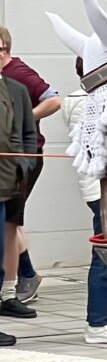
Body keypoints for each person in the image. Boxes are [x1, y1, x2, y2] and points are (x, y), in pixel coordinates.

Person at [61, 62, 107, 344]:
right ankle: (97, 323)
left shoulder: (97, 100)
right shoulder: (87, 103)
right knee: (105, 256)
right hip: (103, 190)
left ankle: (99, 321)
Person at [0, 26, 60, 308]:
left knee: (10, 221)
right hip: (8, 159)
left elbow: (53, 99)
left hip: (25, 158)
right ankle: (24, 275)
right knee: (9, 220)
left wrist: (24, 118)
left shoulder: (20, 74)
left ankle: (23, 277)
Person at [0, 70, 35, 346]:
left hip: (8, 183)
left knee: (1, 250)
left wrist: (24, 162)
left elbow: (27, 132)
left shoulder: (16, 89)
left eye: (3, 50)